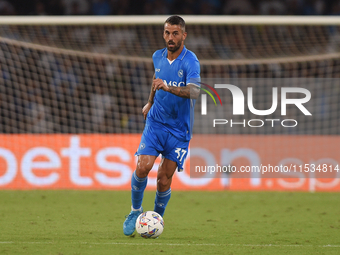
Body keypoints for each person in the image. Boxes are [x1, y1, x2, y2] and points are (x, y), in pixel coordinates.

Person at [123, 15, 201, 236]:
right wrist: (150, 101)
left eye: (175, 33)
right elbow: (156, 80)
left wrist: (167, 88)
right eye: (167, 32)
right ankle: (135, 211)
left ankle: (156, 219)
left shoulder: (190, 61)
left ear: (183, 35)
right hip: (156, 122)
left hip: (179, 130)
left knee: (164, 178)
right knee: (143, 167)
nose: (170, 37)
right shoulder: (157, 56)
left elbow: (194, 91)